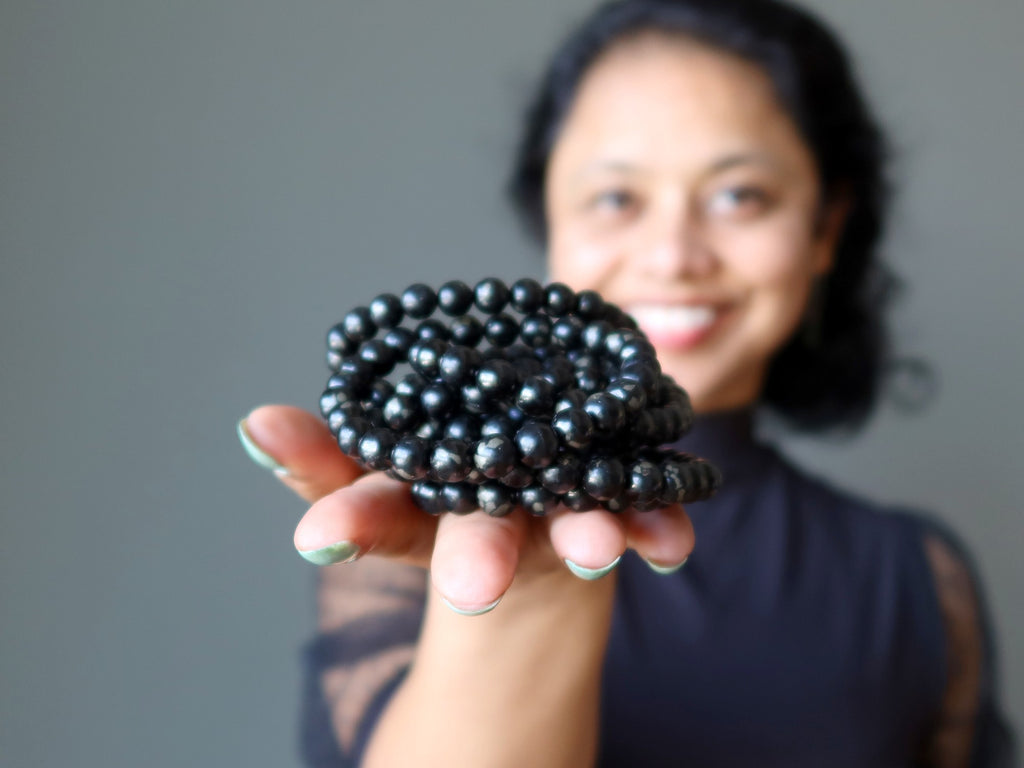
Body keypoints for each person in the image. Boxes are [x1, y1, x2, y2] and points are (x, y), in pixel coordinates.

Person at [236, 0, 1016, 765]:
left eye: (739, 195)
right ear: (552, 218)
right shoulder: (416, 530)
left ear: (824, 228)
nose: (673, 254)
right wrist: (530, 594)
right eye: (616, 198)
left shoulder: (917, 578)